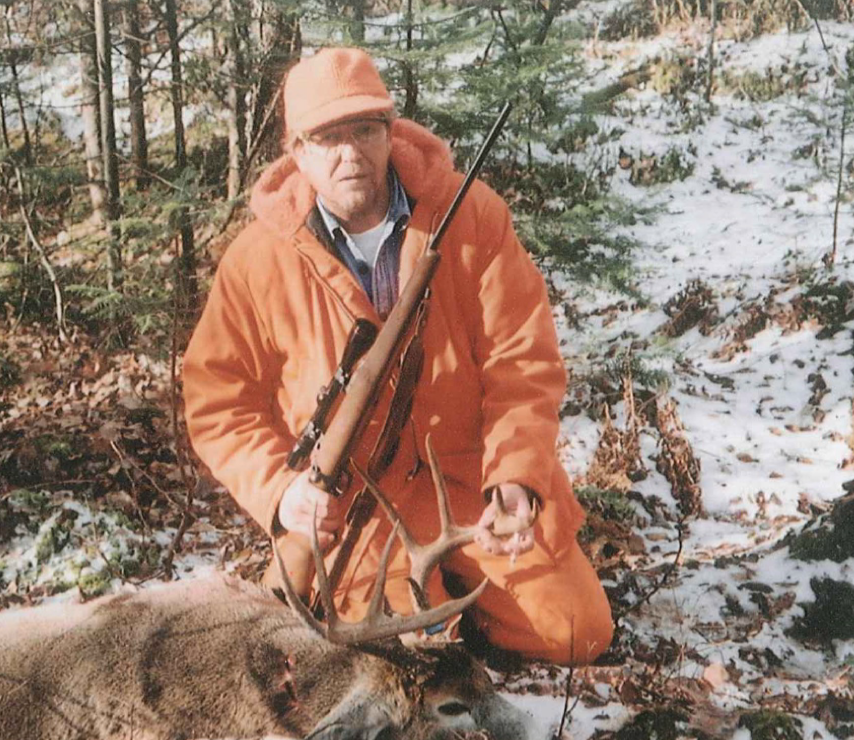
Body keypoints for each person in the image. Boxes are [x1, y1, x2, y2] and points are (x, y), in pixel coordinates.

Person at [183, 48, 613, 665]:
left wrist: (516, 478)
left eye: (364, 129)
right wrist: (281, 493)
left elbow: (521, 364)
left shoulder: (473, 217)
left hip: (470, 487)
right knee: (398, 655)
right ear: (296, 152)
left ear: (390, 131)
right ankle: (443, 611)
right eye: (327, 137)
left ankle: (474, 601)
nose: (349, 153)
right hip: (357, 506)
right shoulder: (257, 261)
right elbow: (216, 401)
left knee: (577, 632)